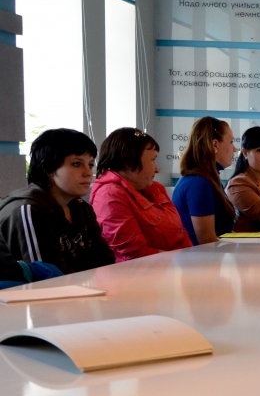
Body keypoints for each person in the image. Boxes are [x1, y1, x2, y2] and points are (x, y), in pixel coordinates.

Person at [0, 128, 115, 283]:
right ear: (48, 168)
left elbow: (105, 261)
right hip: (32, 296)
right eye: (76, 164)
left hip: (80, 292)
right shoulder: (29, 209)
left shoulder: (81, 207)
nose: (88, 172)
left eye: (90, 164)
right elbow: (47, 278)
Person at [91, 128, 192, 261]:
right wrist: (185, 262)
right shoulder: (109, 196)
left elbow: (181, 233)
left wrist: (191, 259)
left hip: (172, 267)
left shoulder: (156, 188)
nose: (157, 169)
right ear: (129, 164)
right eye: (153, 160)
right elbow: (134, 253)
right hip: (142, 271)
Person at [171, 116, 237, 245]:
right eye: (231, 142)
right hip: (199, 257)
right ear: (215, 144)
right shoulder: (198, 183)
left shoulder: (208, 178)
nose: (234, 148)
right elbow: (207, 240)